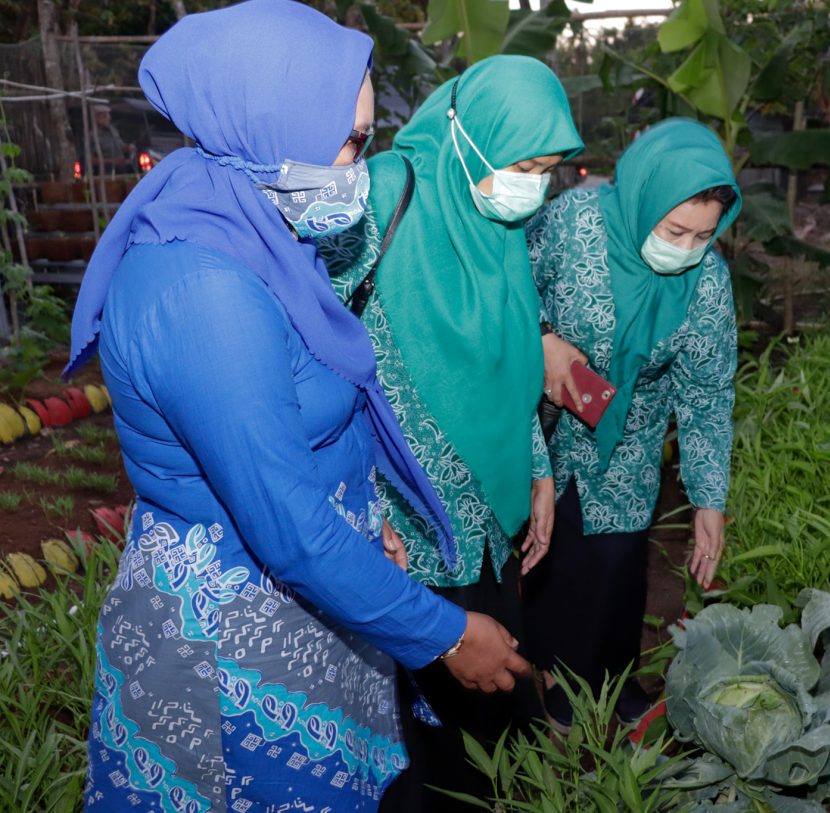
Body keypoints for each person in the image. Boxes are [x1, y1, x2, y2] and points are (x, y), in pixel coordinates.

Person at [67, 4, 527, 811]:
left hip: (305, 603)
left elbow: (314, 410)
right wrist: (448, 634)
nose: (360, 165)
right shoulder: (203, 290)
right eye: (349, 141)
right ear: (267, 122)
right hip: (233, 641)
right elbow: (285, 525)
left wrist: (363, 509)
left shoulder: (254, 223)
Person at [319, 55, 583, 810]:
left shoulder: (498, 222)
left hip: (489, 519)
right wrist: (353, 499)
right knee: (413, 739)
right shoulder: (381, 198)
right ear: (469, 137)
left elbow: (511, 356)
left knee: (488, 717)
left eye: (546, 172)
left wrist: (537, 467)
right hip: (403, 529)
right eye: (522, 167)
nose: (532, 188)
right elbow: (314, 342)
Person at [522, 118, 741, 729]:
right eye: (674, 230)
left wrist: (709, 499)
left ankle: (614, 678)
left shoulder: (706, 283)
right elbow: (511, 285)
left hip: (630, 437)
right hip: (541, 418)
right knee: (550, 549)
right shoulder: (572, 225)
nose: (686, 248)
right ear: (645, 198)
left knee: (617, 561)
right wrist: (542, 338)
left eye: (703, 235)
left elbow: (706, 393)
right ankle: (556, 674)